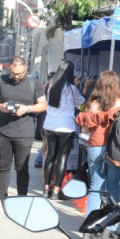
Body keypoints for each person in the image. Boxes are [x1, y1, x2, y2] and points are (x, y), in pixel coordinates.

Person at [75, 71, 120, 226]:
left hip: (96, 147)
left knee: (96, 187)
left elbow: (84, 130)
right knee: (114, 188)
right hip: (116, 150)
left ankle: (90, 225)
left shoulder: (94, 103)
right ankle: (109, 227)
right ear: (116, 85)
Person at [0, 56, 47, 211]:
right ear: (9, 69)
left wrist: (26, 109)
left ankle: (22, 200)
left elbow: (43, 105)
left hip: (24, 133)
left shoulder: (34, 83)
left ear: (25, 68)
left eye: (19, 74)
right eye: (13, 73)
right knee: (4, 167)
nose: (16, 77)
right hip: (4, 132)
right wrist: (2, 106)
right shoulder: (1, 81)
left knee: (22, 168)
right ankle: (1, 200)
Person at [41, 60, 85, 198]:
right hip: (66, 127)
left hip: (50, 125)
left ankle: (46, 189)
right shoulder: (72, 89)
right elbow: (81, 103)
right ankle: (56, 192)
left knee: (50, 156)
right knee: (62, 158)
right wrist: (79, 87)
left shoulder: (50, 86)